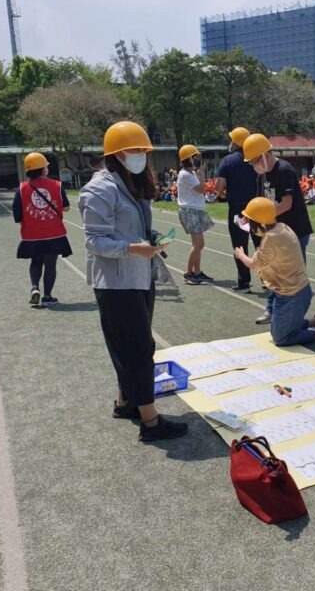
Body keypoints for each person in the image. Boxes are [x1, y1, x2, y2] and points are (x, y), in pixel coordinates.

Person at [78, 121, 187, 442]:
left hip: (139, 275)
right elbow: (94, 241)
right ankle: (151, 423)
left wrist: (151, 237)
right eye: (134, 150)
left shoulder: (132, 183)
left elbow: (134, 226)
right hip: (116, 283)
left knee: (132, 345)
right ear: (116, 154)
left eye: (143, 150)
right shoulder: (100, 189)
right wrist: (131, 248)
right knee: (139, 348)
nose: (140, 156)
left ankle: (126, 402)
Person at [234, 197, 315, 346]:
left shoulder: (270, 239)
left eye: (250, 220)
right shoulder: (282, 226)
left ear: (258, 222)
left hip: (291, 295)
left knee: (280, 338)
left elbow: (254, 263)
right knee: (278, 329)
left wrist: (241, 254)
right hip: (299, 290)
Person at [243, 133, 314, 325]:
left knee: (293, 277)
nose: (253, 166)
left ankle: (296, 311)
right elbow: (259, 202)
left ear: (265, 154)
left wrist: (265, 216)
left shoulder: (285, 170)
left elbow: (286, 204)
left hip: (294, 232)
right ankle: (272, 310)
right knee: (274, 273)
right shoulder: (262, 175)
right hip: (274, 234)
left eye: (255, 161)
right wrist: (249, 216)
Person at [12, 152, 72, 307]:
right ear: (43, 169)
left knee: (35, 262)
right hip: (54, 234)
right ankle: (47, 296)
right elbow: (66, 207)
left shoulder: (22, 188)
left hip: (31, 235)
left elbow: (17, 216)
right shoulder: (57, 185)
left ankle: (34, 288)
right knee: (50, 265)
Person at [215, 127, 260, 293]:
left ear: (236, 142)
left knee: (240, 246)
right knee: (262, 245)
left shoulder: (228, 161)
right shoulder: (256, 159)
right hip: (257, 210)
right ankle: (267, 279)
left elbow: (218, 187)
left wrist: (225, 191)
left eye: (232, 140)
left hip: (238, 212)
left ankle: (244, 281)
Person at [177, 143, 214, 285]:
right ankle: (188, 273)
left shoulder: (190, 173)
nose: (197, 159)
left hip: (195, 209)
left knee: (199, 244)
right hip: (190, 210)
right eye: (194, 157)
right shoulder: (185, 174)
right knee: (197, 244)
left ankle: (197, 272)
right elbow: (201, 189)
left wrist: (199, 173)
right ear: (188, 159)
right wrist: (202, 173)